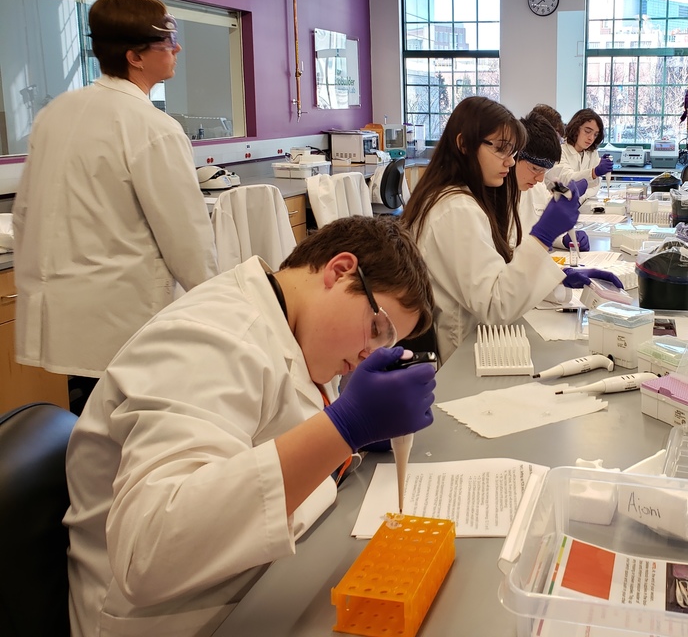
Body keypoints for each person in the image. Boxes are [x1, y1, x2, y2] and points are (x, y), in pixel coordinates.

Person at [65, 216, 437, 637]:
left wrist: (358, 437)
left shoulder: (294, 327)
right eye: (376, 328)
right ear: (339, 271)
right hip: (179, 621)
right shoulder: (208, 338)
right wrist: (343, 428)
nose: (369, 353)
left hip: (263, 586)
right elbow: (147, 551)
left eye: (385, 344)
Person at [13, 0, 217, 414]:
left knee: (89, 423)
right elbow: (186, 238)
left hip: (71, 312)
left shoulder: (55, 113)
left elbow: (25, 212)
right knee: (129, 432)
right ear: (134, 57)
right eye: (166, 43)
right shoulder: (152, 126)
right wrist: (222, 301)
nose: (176, 49)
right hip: (123, 315)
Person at [402, 96, 621, 363]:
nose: (509, 162)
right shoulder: (456, 209)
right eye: (501, 150)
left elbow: (499, 269)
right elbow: (497, 305)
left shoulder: (465, 198)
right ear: (463, 144)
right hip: (462, 354)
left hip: (479, 341)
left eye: (513, 153)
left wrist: (558, 276)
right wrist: (542, 237)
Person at [516, 110, 590, 252]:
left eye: (544, 171)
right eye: (535, 168)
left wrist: (563, 239)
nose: (540, 179)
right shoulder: (491, 197)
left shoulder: (535, 187)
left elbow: (546, 226)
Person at [549, 108, 615, 200]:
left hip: (584, 205)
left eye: (595, 134)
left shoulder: (591, 153)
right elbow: (566, 180)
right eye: (587, 131)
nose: (591, 138)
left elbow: (595, 186)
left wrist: (580, 196)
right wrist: (593, 173)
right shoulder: (560, 151)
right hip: (561, 206)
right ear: (575, 128)